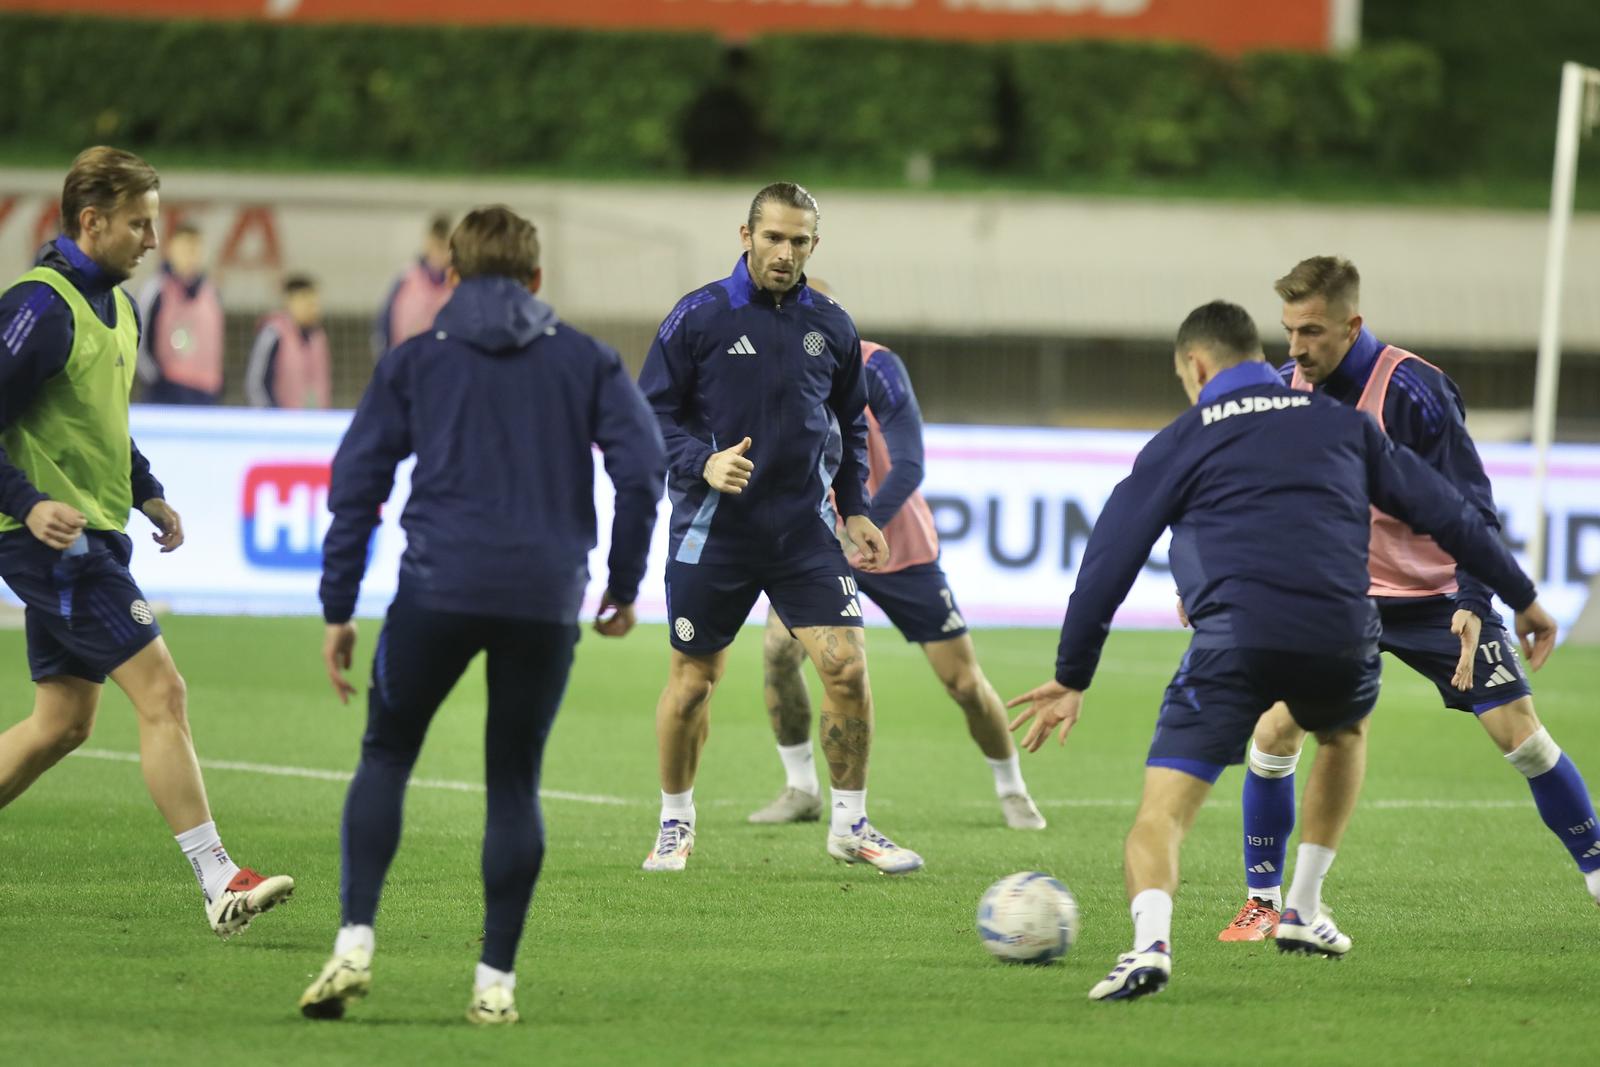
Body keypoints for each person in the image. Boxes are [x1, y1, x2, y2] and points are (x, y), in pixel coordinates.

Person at [1006, 300, 1556, 1002]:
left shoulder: (1184, 436)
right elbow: (1451, 512)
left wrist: (1071, 674)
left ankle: (1148, 945)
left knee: (1163, 811)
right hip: (1339, 634)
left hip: (1233, 639)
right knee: (1343, 729)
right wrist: (1521, 596)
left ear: (1198, 366)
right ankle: (1301, 906)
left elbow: (1110, 557)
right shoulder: (1342, 423)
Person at [299, 205, 665, 1025]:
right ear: (537, 281)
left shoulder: (413, 362)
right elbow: (645, 475)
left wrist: (337, 606)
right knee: (514, 778)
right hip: (543, 599)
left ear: (452, 278)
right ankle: (494, 984)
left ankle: (354, 943)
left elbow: (355, 485)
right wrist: (623, 582)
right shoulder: (588, 360)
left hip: (437, 590)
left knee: (388, 753)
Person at [1214, 256, 1600, 942]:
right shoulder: (1282, 388)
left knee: (1522, 736)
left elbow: (1469, 499)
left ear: (1352, 324)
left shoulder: (1414, 389)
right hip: (1337, 595)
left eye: (1311, 331)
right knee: (1274, 732)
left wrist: (1477, 596)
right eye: (1288, 331)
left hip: (1436, 595)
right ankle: (1270, 903)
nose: (1296, 349)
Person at [0, 146, 293, 937]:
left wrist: (148, 489)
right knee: (163, 691)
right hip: (54, 544)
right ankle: (218, 878)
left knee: (63, 721)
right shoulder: (40, 306)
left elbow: (104, 427)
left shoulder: (121, 308)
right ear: (90, 223)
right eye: (139, 224)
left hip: (95, 531)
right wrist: (26, 505)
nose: (153, 240)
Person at [636, 181, 922, 874]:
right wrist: (701, 463)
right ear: (745, 235)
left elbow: (851, 423)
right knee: (694, 683)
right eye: (773, 237)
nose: (785, 252)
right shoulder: (697, 316)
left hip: (804, 534)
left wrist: (854, 506)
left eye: (799, 241)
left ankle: (850, 825)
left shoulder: (833, 323)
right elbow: (650, 414)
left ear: (813, 246)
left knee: (846, 667)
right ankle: (675, 823)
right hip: (714, 532)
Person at [749, 279, 1044, 831]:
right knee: (777, 655)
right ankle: (801, 788)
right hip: (815, 545)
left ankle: (1012, 788)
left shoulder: (877, 368)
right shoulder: (767, 375)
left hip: (896, 544)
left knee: (962, 680)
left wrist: (863, 526)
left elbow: (909, 465)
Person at [134, 220, 224, 404]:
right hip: (166, 392)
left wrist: (218, 381)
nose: (191, 255)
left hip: (206, 392)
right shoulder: (156, 289)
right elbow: (138, 340)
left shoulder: (212, 293)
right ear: (171, 250)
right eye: (185, 248)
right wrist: (157, 381)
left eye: (196, 249)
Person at [372, 213, 453, 360]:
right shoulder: (406, 279)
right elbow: (385, 323)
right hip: (407, 365)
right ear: (428, 242)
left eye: (445, 248)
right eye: (438, 246)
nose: (440, 254)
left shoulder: (455, 286)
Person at [244, 273, 331, 409]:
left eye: (315, 303)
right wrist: (271, 416)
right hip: (280, 424)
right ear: (290, 301)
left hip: (312, 421)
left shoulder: (318, 338)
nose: (313, 309)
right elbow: (256, 382)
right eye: (306, 302)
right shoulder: (273, 333)